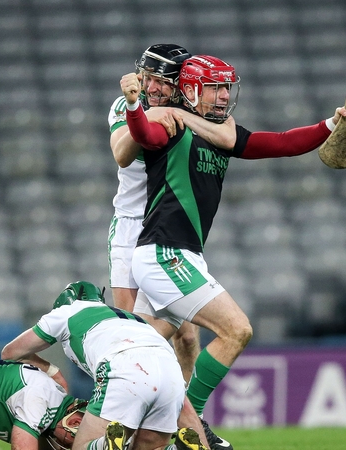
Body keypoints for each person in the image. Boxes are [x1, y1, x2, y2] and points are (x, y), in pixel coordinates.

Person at [120, 55, 346, 448]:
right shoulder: (169, 124)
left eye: (225, 88)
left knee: (138, 355)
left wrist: (333, 124)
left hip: (179, 255)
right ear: (188, 90)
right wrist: (136, 105)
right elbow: (145, 138)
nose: (223, 96)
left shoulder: (223, 135)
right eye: (214, 88)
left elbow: (284, 144)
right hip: (165, 253)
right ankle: (190, 423)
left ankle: (109, 427)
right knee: (236, 330)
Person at [110, 44, 239, 449]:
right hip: (132, 229)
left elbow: (231, 136)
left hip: (166, 227)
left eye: (160, 82)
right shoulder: (127, 104)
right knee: (133, 337)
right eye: (145, 78)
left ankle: (186, 422)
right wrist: (140, 109)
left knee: (185, 336)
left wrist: (331, 127)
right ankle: (114, 422)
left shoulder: (194, 109)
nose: (150, 87)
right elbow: (121, 153)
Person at [1, 281, 204, 450]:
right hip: (171, 372)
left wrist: (50, 370)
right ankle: (177, 448)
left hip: (125, 366)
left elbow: (10, 352)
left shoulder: (65, 312)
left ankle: (103, 445)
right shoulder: (128, 317)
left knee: (82, 447)